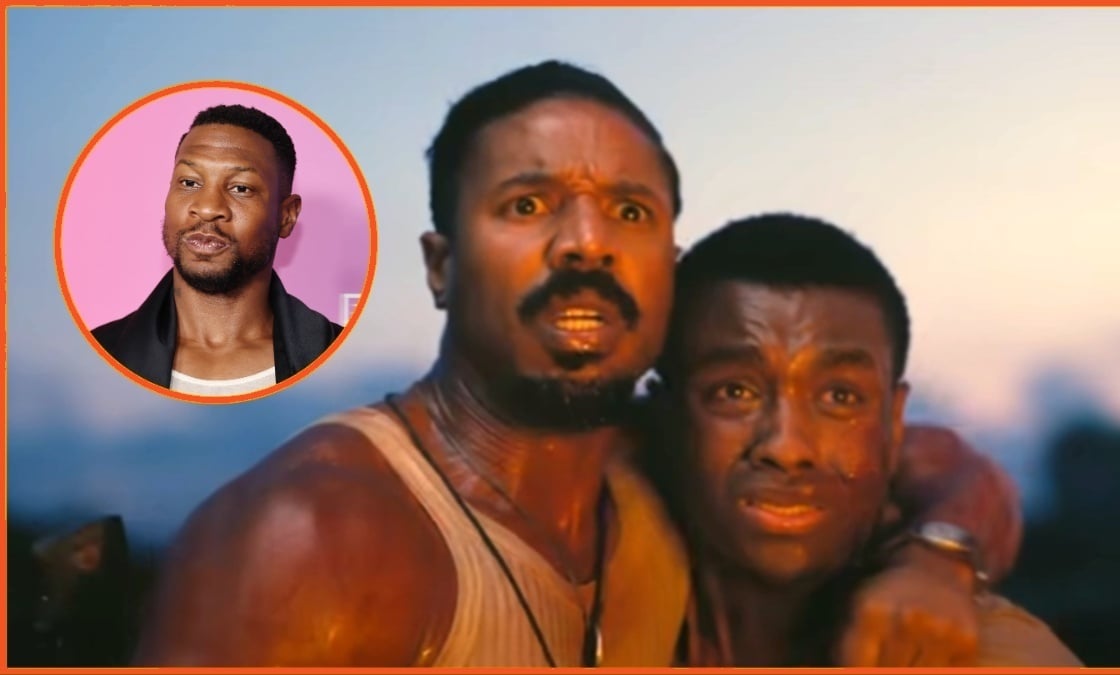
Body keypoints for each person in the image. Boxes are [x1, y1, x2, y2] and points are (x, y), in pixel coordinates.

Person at [135, 61, 1022, 666]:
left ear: (670, 270)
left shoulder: (658, 455)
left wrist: (939, 560)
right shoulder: (316, 539)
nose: (588, 244)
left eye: (630, 213)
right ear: (441, 266)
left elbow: (940, 461)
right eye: (529, 202)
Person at [646, 213, 1081, 666]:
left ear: (893, 421)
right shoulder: (607, 563)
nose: (787, 448)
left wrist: (938, 562)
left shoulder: (999, 656)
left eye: (840, 396)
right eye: (734, 392)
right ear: (663, 413)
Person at [91, 104, 342, 396]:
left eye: (240, 188)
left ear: (286, 216)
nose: (208, 208)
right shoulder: (97, 356)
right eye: (189, 182)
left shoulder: (339, 359)